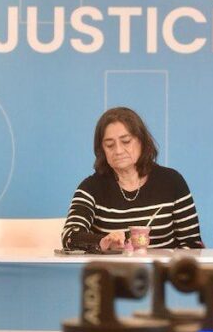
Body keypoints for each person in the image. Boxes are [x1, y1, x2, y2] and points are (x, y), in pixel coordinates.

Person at [62, 107, 204, 250]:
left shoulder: (172, 182)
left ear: (142, 141)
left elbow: (193, 243)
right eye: (110, 145)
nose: (118, 151)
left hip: (164, 265)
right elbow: (69, 236)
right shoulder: (90, 188)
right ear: (102, 150)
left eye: (126, 141)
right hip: (111, 265)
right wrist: (103, 242)